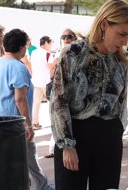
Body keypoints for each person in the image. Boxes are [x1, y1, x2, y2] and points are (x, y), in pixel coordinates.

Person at [50, 0, 128, 190]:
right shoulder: (73, 53)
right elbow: (58, 100)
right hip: (75, 135)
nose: (125, 42)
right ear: (104, 24)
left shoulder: (122, 60)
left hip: (109, 137)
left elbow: (121, 103)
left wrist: (117, 132)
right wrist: (67, 144)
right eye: (122, 34)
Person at [0, 28, 55, 190]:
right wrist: (28, 126)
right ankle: (42, 187)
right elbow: (20, 99)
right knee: (29, 152)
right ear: (22, 47)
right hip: (11, 122)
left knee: (7, 159)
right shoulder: (18, 67)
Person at [45, 28, 78, 159]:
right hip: (58, 92)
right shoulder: (59, 52)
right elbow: (52, 72)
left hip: (73, 99)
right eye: (63, 37)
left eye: (69, 36)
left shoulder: (78, 54)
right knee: (57, 118)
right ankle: (53, 148)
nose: (66, 39)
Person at [30, 36, 54, 130]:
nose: (51, 46)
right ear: (46, 43)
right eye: (51, 43)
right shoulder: (47, 54)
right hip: (46, 82)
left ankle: (35, 123)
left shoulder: (33, 53)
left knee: (36, 103)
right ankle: (53, 123)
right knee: (51, 103)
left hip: (35, 81)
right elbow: (50, 67)